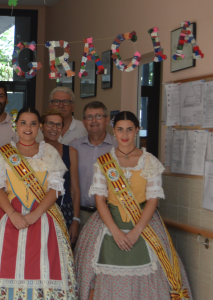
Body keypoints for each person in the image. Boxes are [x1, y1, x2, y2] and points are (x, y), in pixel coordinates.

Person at [75, 111, 191, 299]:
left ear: (137, 130)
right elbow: (100, 200)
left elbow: (153, 200)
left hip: (144, 224)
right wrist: (115, 231)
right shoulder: (104, 162)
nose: (125, 135)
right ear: (114, 130)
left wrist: (137, 231)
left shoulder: (150, 161)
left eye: (129, 129)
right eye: (120, 129)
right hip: (108, 224)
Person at [0, 107, 76, 299]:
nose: (28, 128)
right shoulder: (4, 152)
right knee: (1, 264)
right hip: (6, 217)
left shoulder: (49, 152)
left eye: (33, 123)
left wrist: (35, 214)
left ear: (39, 127)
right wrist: (12, 214)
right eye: (23, 123)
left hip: (43, 217)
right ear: (16, 126)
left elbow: (56, 189)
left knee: (43, 267)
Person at [69, 101, 117, 228]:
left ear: (107, 120)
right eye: (89, 117)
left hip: (111, 215)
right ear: (84, 122)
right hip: (81, 215)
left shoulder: (117, 147)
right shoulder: (74, 147)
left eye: (98, 116)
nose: (94, 120)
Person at [41, 109, 81, 243]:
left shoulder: (70, 152)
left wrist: (75, 220)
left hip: (64, 211)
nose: (54, 128)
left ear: (62, 129)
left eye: (58, 125)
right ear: (42, 126)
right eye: (50, 124)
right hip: (39, 210)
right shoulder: (33, 151)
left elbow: (74, 190)